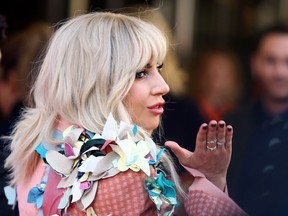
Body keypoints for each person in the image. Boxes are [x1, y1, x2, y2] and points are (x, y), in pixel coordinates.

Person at [4, 12, 245, 215]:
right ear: (98, 82)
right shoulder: (124, 170)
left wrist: (209, 180)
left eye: (157, 68)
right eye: (141, 73)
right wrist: (209, 184)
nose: (164, 86)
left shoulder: (39, 147)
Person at [226, 24, 288, 215]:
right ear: (255, 64)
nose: (279, 72)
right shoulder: (231, 124)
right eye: (270, 60)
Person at [191, 47, 243, 122]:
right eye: (211, 70)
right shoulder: (187, 110)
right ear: (199, 74)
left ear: (235, 79)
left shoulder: (239, 115)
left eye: (224, 73)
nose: (215, 77)